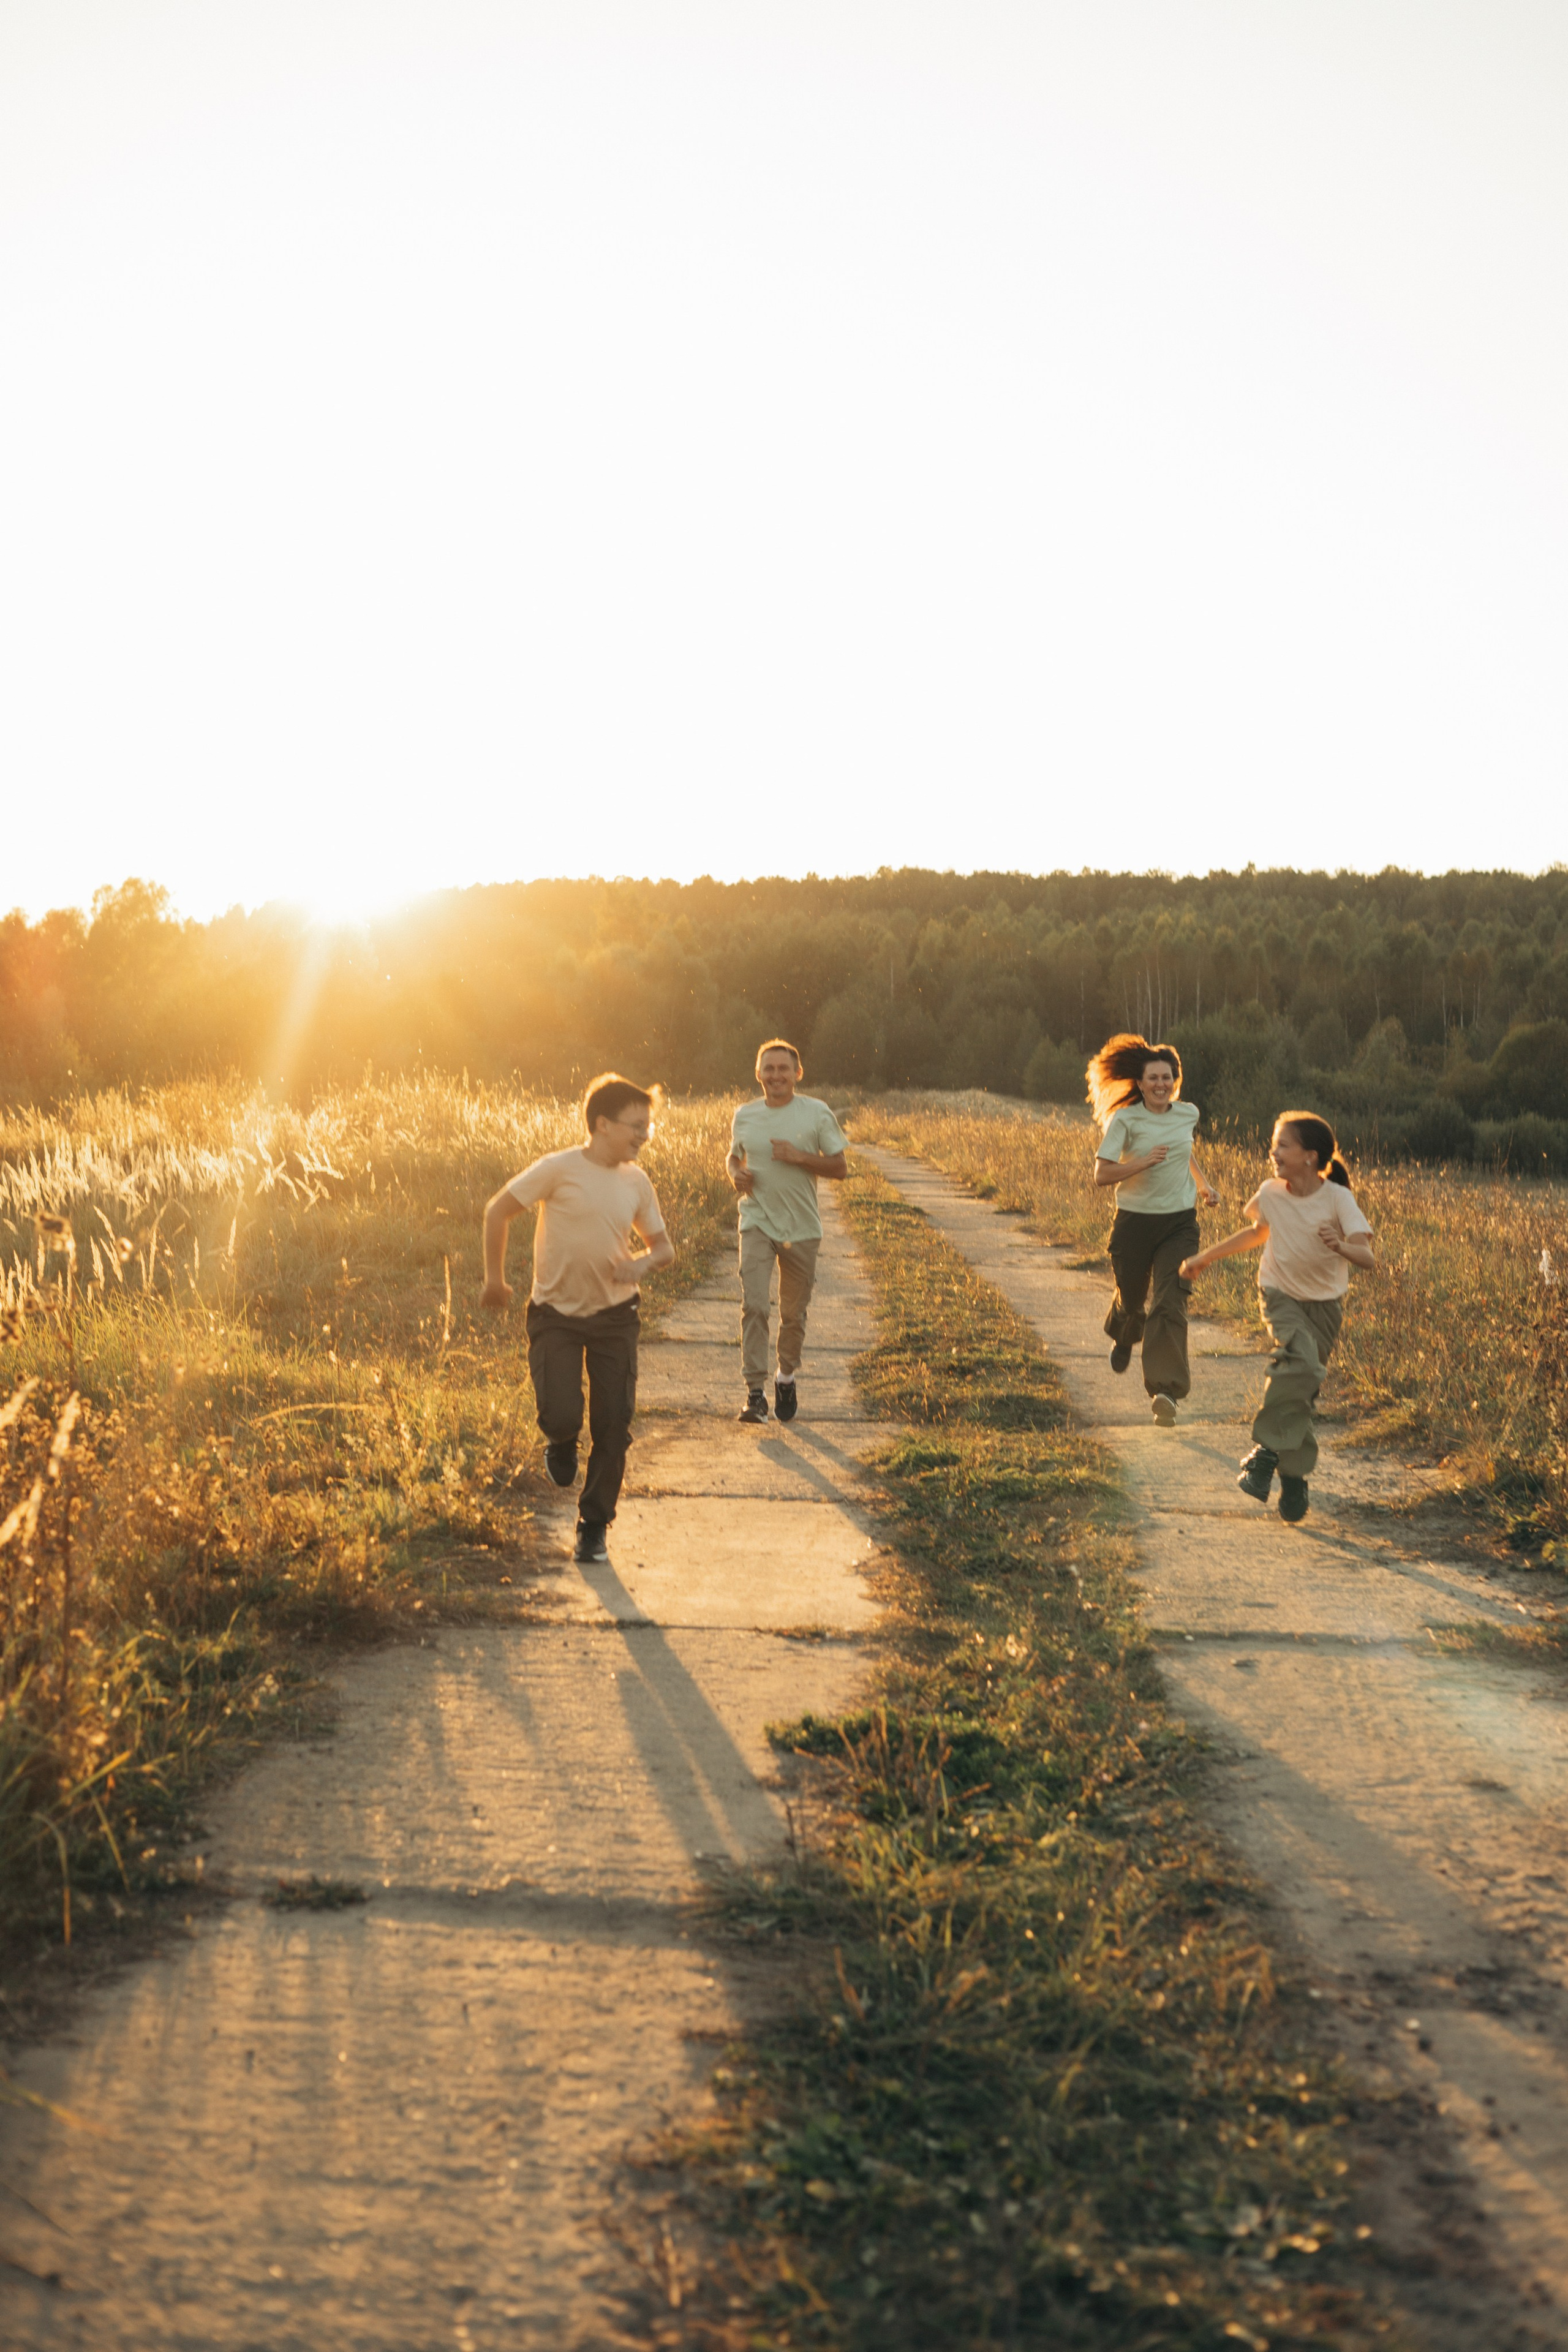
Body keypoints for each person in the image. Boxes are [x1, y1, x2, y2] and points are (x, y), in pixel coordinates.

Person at [480, 1073, 674, 1564]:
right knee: (563, 1411)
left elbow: (663, 1248)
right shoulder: (559, 1169)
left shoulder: (637, 1181)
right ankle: (561, 1441)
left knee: (614, 1425)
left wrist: (640, 1264)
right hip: (556, 1316)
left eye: (648, 1126)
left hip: (616, 1318)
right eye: (635, 1125)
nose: (644, 1134)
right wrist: (495, 1280)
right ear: (602, 1124)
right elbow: (497, 1212)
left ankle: (593, 1526)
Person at [1180, 1111, 1374, 1523]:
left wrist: (1340, 1246)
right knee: (1300, 1364)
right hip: (1279, 1294)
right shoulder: (1270, 1192)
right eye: (1275, 1143)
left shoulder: (1338, 1198)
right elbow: (1256, 1234)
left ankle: (1293, 1476)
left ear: (1310, 1155)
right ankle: (1266, 1452)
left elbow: (1367, 1257)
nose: (1275, 1152)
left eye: (1284, 1145)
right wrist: (1204, 1258)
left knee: (1301, 1390)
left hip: (1325, 1306)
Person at [1088, 1032, 1220, 1426]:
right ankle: (1125, 1329)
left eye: (1167, 1078)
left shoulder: (1188, 1114)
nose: (1161, 1084)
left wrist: (1203, 1184)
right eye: (1153, 1079)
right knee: (1133, 1299)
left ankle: (1166, 1391)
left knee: (1169, 1300)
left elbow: (1184, 1150)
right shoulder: (1126, 1119)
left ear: (1174, 1081)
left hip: (1179, 1222)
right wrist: (1141, 1164)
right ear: (1140, 1084)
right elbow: (1101, 1174)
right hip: (1134, 1222)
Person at [727, 1039, 848, 1423]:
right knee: (756, 1306)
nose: (776, 1075)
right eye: (769, 1068)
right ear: (758, 1074)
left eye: (784, 1069)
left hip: (802, 1228)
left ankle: (786, 1377)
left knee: (793, 1315)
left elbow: (840, 1167)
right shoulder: (745, 1115)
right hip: (757, 1220)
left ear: (797, 1074)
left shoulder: (816, 1113)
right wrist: (735, 1173)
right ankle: (755, 1394)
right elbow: (734, 1155)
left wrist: (799, 1157)